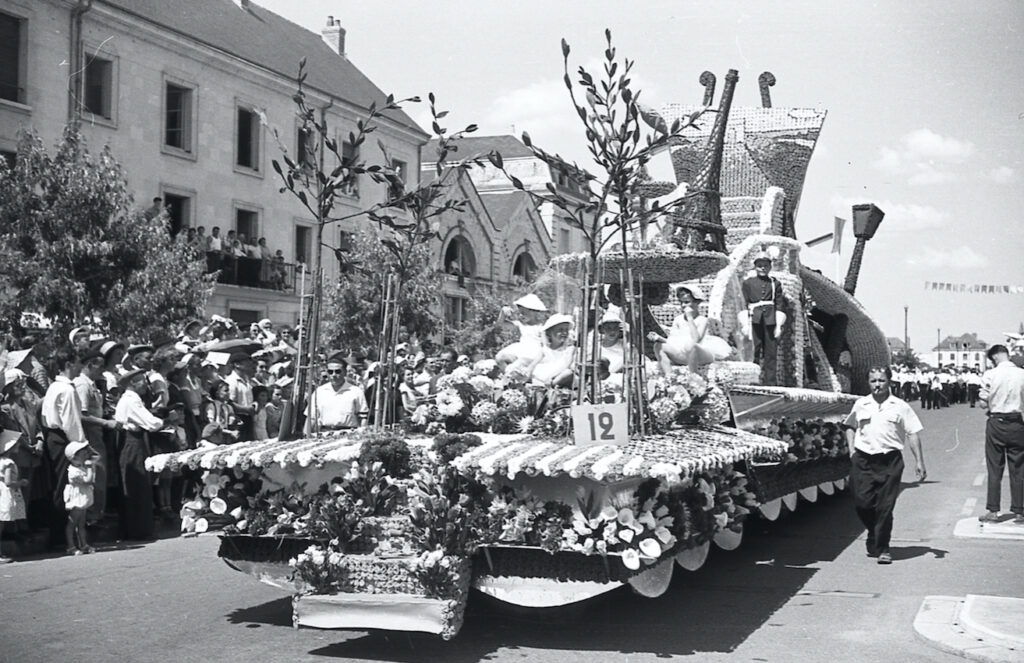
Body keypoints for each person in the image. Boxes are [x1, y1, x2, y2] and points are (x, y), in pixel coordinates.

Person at [843, 366, 927, 564]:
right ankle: (874, 532)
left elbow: (912, 433)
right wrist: (852, 450)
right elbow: (850, 426)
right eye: (873, 381)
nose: (877, 385)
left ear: (889, 382)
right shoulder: (861, 404)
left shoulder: (900, 406)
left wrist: (919, 461)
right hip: (863, 460)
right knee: (862, 503)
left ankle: (883, 548)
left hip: (890, 461)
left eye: (881, 380)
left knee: (885, 507)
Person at [114, 369, 180, 540]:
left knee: (139, 484)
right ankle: (138, 529)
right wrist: (167, 419)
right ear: (133, 383)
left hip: (136, 440)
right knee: (137, 484)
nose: (146, 385)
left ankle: (137, 528)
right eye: (142, 381)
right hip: (132, 442)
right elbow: (152, 424)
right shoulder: (131, 401)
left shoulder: (133, 400)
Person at [40, 346, 85, 545]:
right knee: (66, 487)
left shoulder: (54, 387)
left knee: (59, 485)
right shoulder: (66, 390)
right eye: (78, 362)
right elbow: (71, 422)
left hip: (54, 438)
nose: (81, 366)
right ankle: (62, 536)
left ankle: (61, 534)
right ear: (69, 364)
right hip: (63, 439)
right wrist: (81, 447)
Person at [977, 344, 1024, 524]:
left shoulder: (990, 374)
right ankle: (1019, 511)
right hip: (1017, 422)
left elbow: (983, 403)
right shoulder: (1021, 374)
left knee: (994, 467)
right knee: (1018, 467)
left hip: (996, 421)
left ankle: (993, 510)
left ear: (995, 357)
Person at [73, 347, 118, 525]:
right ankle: (92, 516)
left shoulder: (92, 384)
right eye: (100, 366)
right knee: (95, 472)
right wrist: (105, 423)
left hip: (96, 433)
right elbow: (81, 414)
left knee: (100, 473)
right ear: (90, 365)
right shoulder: (82, 385)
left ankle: (98, 513)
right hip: (89, 434)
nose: (102, 371)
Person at [650, 284, 731, 374]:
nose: (683, 305)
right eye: (681, 302)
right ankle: (669, 376)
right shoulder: (678, 320)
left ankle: (694, 376)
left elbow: (696, 340)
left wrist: (690, 318)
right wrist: (658, 338)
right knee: (658, 345)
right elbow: (672, 342)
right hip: (682, 354)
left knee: (691, 345)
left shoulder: (702, 320)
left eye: (687, 302)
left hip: (700, 354)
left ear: (697, 303)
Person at [739, 253, 786, 385]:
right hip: (754, 318)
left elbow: (779, 303)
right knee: (754, 349)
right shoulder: (748, 283)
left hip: (770, 319)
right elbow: (744, 302)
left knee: (770, 351)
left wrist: (778, 325)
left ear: (770, 267)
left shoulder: (775, 283)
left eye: (765, 265)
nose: (763, 268)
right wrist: (745, 324)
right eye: (759, 266)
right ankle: (752, 380)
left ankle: (770, 382)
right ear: (755, 267)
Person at [305, 355, 368, 433]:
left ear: (345, 372)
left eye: (337, 371)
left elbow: (363, 418)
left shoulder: (356, 392)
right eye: (330, 372)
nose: (333, 375)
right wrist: (306, 435)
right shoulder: (320, 391)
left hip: (348, 434)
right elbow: (311, 417)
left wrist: (362, 434)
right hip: (325, 433)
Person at [495, 293, 549, 372]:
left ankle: (517, 374)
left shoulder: (541, 327)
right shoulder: (520, 324)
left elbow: (545, 345)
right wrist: (503, 312)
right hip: (521, 350)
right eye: (520, 313)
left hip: (534, 353)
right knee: (499, 357)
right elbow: (500, 325)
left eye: (524, 313)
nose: (521, 315)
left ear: (534, 312)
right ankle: (509, 375)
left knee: (520, 363)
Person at [62, 441, 96, 555]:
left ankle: (83, 544)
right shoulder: (73, 471)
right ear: (74, 457)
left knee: (81, 524)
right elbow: (88, 480)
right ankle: (71, 546)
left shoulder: (81, 467)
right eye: (82, 452)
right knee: (72, 523)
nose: (86, 453)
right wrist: (90, 468)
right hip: (77, 500)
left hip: (83, 498)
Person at [0, 434, 28, 563]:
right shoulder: (9, 463)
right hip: (4, 493)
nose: (18, 445)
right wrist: (21, 483)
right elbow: (8, 482)